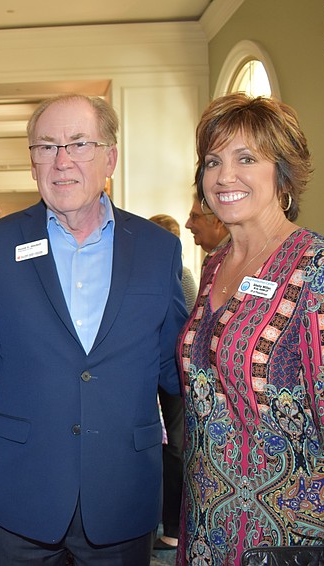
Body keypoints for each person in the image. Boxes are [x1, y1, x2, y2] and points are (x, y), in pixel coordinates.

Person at [0, 93, 188, 564]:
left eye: (79, 143)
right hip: (19, 493)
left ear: (110, 156)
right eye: (46, 146)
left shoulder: (157, 249)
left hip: (122, 492)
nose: (61, 160)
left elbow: (178, 373)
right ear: (32, 163)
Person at [178, 93, 324, 565]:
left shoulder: (322, 271)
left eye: (246, 158)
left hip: (286, 541)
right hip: (207, 531)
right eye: (212, 161)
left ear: (283, 173)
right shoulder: (215, 266)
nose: (224, 176)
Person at [149, 213, 196, 552]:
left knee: (175, 448)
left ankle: (174, 528)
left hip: (176, 371)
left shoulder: (186, 276)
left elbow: (189, 324)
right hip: (151, 370)